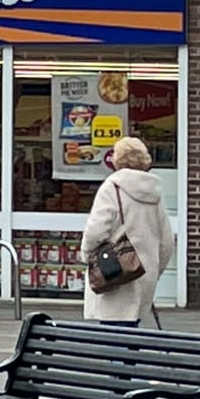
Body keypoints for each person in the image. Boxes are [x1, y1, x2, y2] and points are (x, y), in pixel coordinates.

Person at [81, 135, 175, 327]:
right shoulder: (153, 193)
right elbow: (167, 242)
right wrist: (153, 271)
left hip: (114, 273)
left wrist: (86, 256)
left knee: (114, 339)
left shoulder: (111, 188)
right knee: (132, 337)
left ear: (117, 160)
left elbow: (95, 232)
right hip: (143, 274)